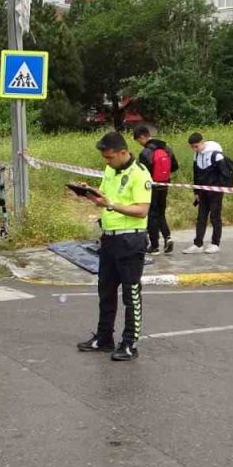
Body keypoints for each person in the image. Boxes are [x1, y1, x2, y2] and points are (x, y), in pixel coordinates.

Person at [77, 131, 151, 361]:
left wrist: (111, 204)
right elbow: (106, 198)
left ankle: (130, 343)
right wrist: (91, 194)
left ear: (123, 152)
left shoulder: (140, 174)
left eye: (109, 157)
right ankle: (104, 337)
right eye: (104, 158)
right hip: (109, 238)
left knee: (131, 294)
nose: (106, 162)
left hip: (130, 240)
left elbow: (142, 210)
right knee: (106, 291)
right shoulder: (110, 170)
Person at [133, 124, 178, 254]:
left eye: (138, 141)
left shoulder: (145, 153)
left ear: (142, 137)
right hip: (165, 185)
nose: (139, 144)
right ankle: (168, 237)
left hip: (151, 186)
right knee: (161, 213)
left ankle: (154, 246)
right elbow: (175, 166)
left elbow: (143, 173)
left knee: (152, 214)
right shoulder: (167, 147)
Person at [184, 132, 229, 254]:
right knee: (201, 218)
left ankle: (215, 243)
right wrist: (196, 192)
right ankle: (198, 244)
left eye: (196, 146)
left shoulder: (217, 155)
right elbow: (196, 174)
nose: (195, 149)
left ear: (202, 142)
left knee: (215, 217)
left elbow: (225, 174)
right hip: (202, 192)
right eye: (192, 147)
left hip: (215, 193)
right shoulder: (196, 156)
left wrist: (219, 188)